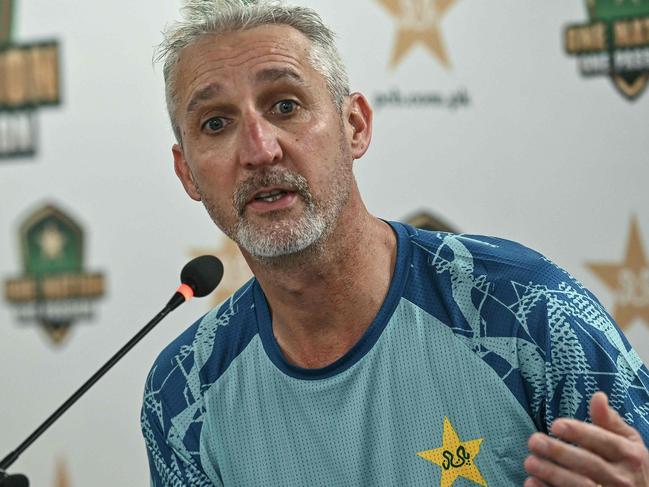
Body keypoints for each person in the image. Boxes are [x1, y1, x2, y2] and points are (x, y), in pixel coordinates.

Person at [141, 1, 649, 485]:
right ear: (187, 173)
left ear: (354, 125)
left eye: (286, 106)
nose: (259, 149)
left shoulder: (525, 308)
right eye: (215, 123)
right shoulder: (184, 391)